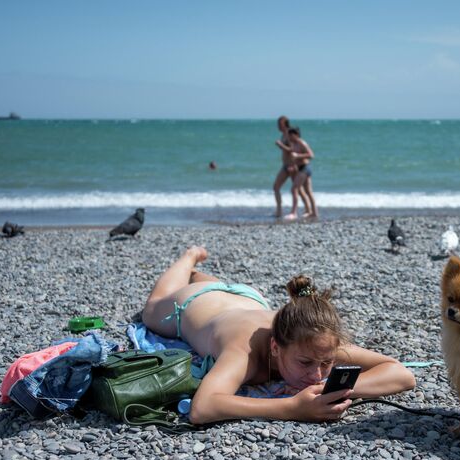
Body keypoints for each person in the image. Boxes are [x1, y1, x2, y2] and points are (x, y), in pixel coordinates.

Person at [141, 246, 416, 424]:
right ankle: (190, 258)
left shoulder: (315, 339)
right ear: (275, 347)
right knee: (151, 310)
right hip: (195, 303)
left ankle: (201, 273)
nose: (317, 375)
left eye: (326, 364)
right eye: (305, 363)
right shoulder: (243, 352)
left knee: (220, 287)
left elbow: (402, 374)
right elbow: (203, 407)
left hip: (249, 298)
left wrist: (333, 390)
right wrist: (292, 408)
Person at [272, 116, 311, 218]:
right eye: (278, 124)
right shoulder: (283, 135)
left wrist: (281, 145)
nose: (278, 126)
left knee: (298, 190)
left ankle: (307, 209)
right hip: (285, 165)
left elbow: (292, 150)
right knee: (276, 187)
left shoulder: (289, 134)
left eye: (280, 124)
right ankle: (279, 211)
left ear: (285, 124)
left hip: (292, 166)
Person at [282, 126, 318, 220]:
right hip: (300, 168)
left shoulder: (302, 143)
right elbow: (294, 158)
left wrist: (298, 156)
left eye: (291, 136)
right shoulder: (293, 144)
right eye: (288, 136)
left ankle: (293, 213)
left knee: (294, 189)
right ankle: (314, 213)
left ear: (296, 135)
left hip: (305, 169)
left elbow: (311, 155)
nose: (289, 138)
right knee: (308, 192)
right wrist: (292, 165)